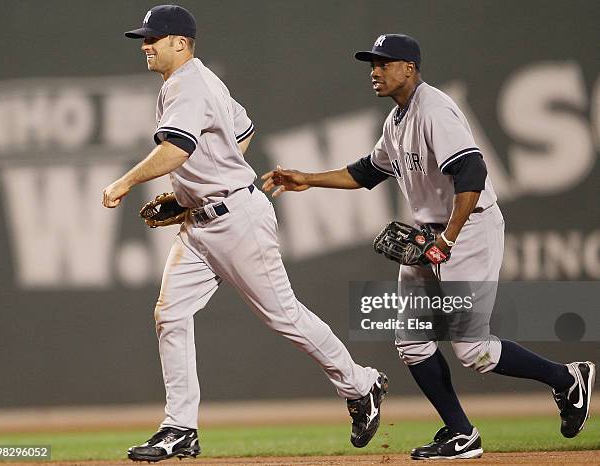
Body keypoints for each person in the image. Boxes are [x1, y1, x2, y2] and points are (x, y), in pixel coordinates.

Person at [262, 34, 595, 460]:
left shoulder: (434, 109)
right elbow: (366, 171)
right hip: (428, 235)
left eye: (384, 63)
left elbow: (472, 174)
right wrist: (308, 178)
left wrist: (449, 238)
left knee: (472, 347)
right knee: (412, 341)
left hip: (468, 228)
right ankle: (460, 432)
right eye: (372, 64)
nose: (375, 71)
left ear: (410, 68)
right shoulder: (395, 121)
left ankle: (567, 380)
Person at [102, 5, 388, 462]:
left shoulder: (188, 85)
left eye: (153, 38)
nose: (145, 46)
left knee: (284, 317)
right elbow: (243, 130)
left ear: (180, 42)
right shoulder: (199, 80)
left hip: (237, 221)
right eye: (144, 38)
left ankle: (362, 383)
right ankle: (180, 428)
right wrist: (198, 189)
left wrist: (125, 182)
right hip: (200, 224)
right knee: (170, 314)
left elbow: (177, 149)